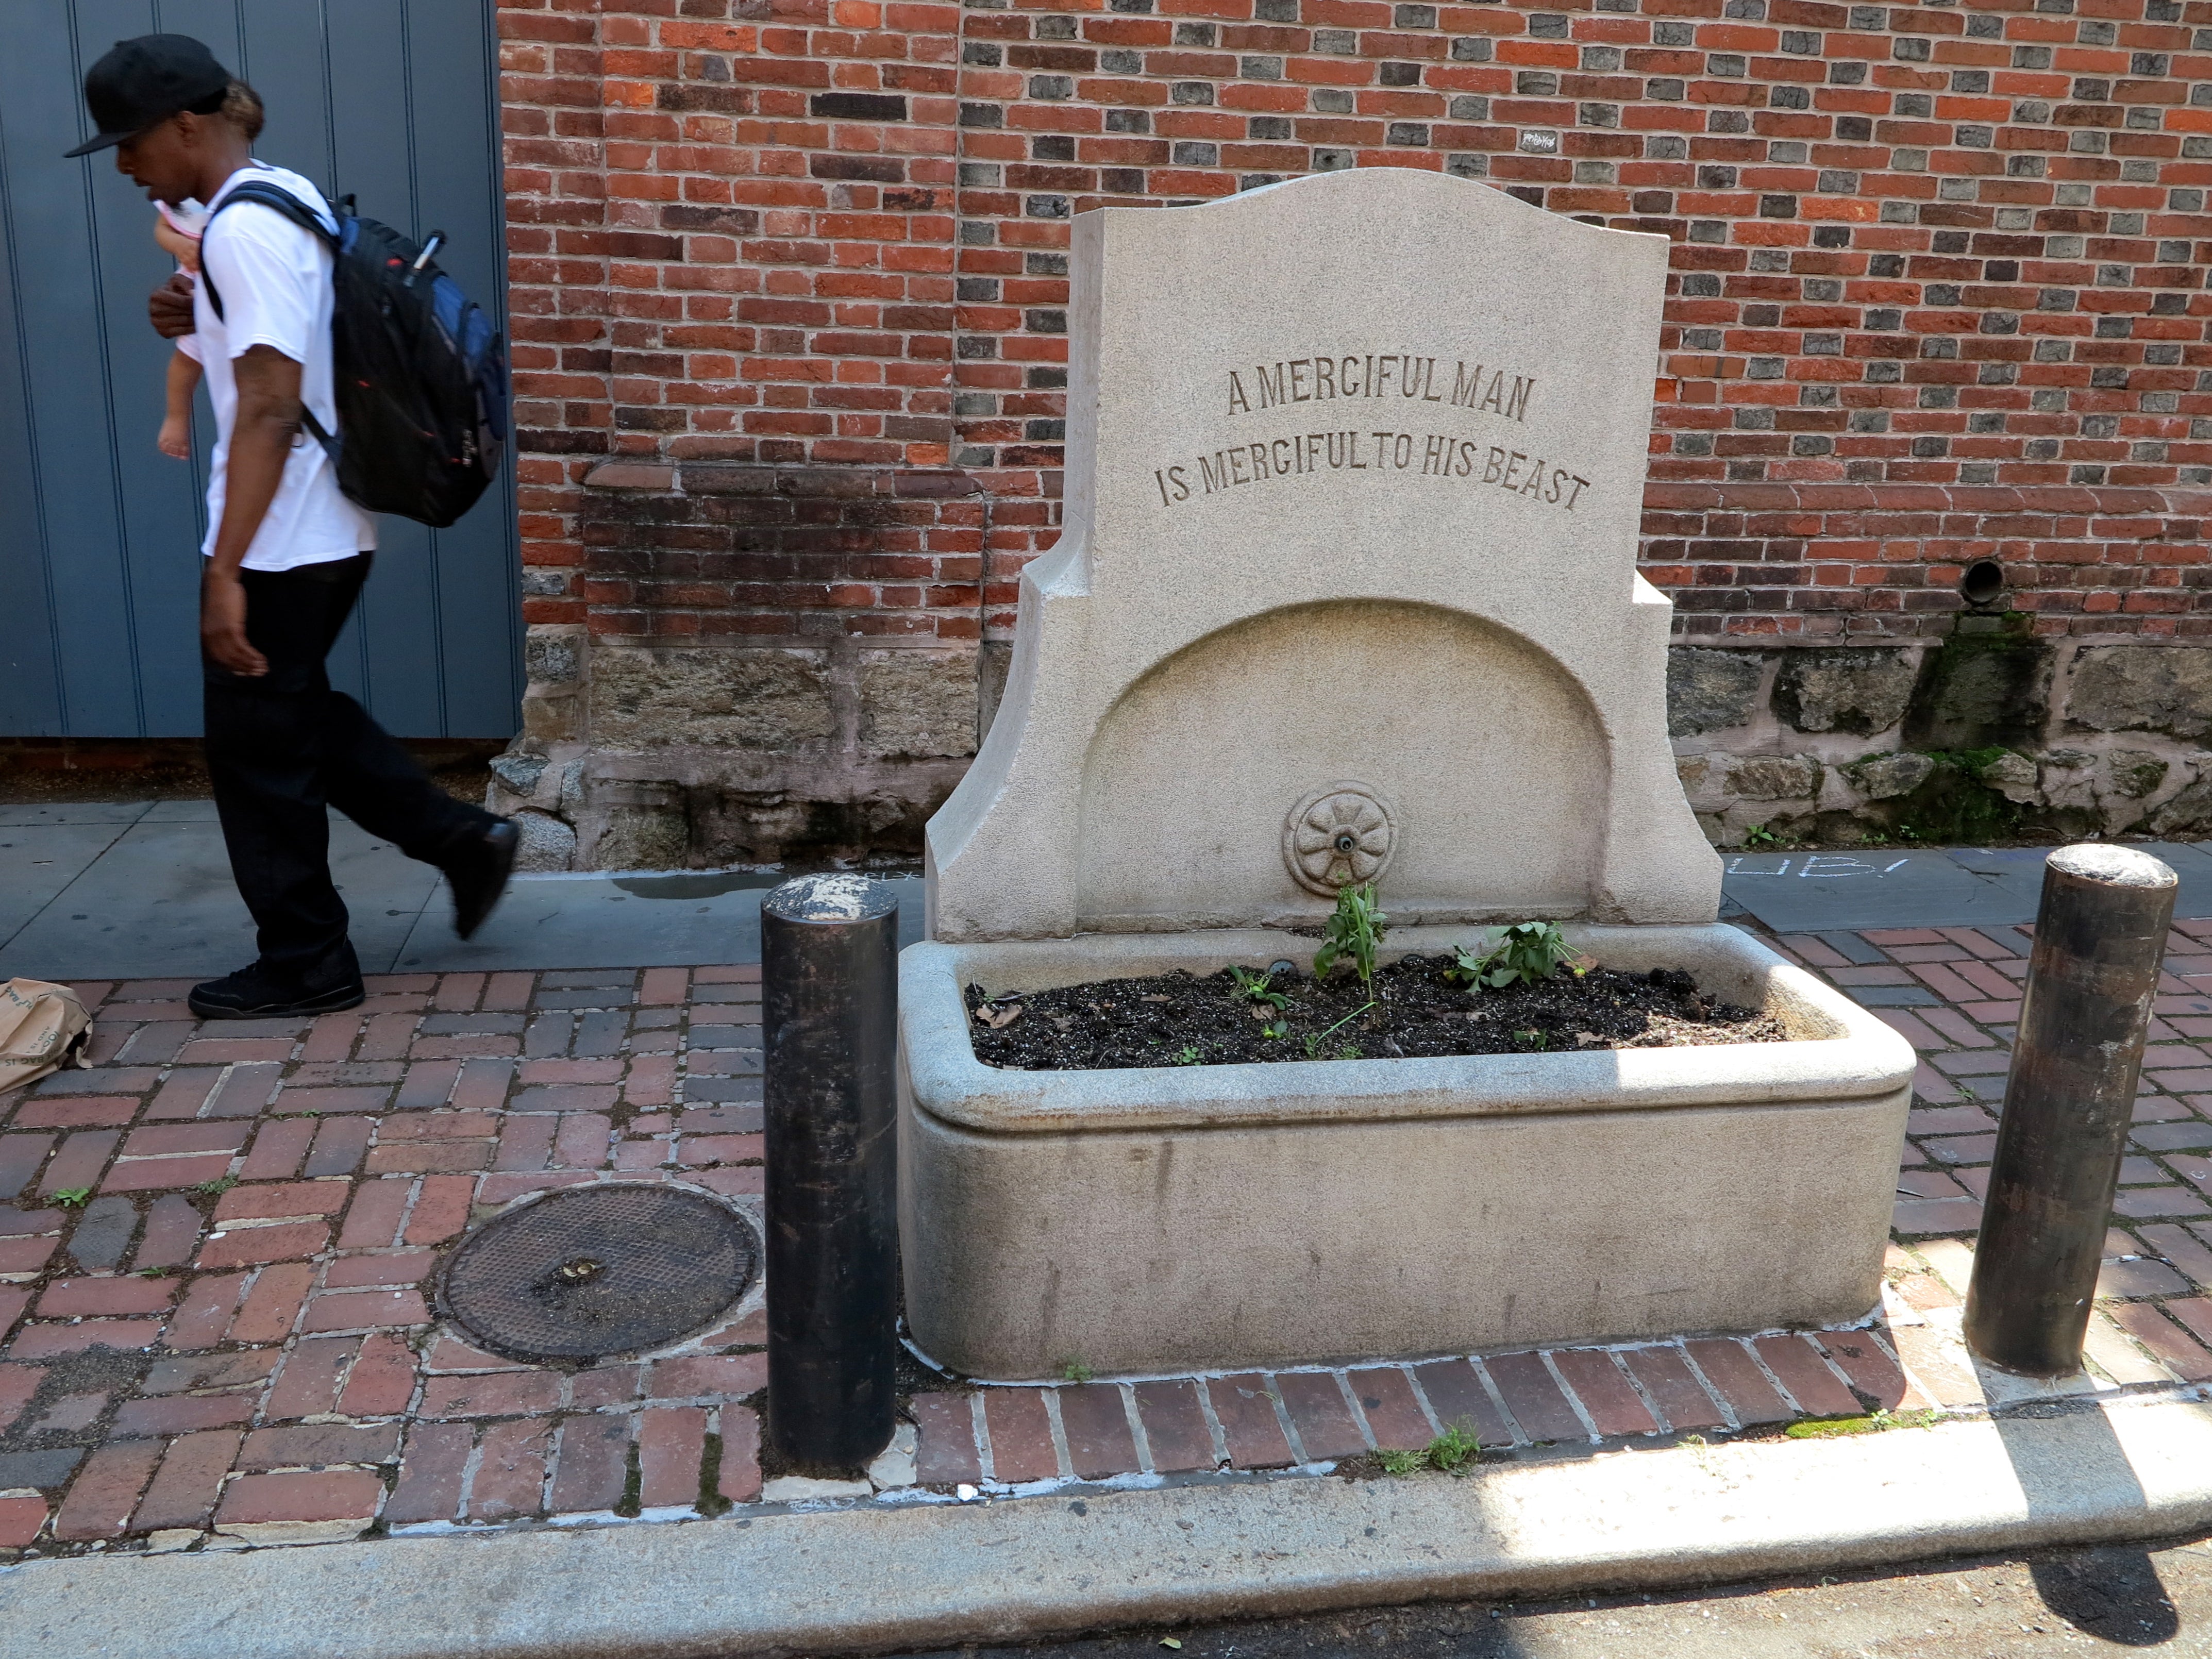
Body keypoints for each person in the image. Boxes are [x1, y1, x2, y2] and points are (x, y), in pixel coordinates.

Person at [67, 35, 518, 1019]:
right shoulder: (277, 194)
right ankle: (458, 838)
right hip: (313, 515)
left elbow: (271, 404)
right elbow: (295, 335)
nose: (123, 162)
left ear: (187, 124)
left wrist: (225, 570)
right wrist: (193, 314)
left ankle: (309, 959)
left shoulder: (245, 229)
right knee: (289, 712)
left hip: (280, 529)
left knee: (258, 753)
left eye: (129, 139)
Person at [152, 83, 262, 461]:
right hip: (196, 293)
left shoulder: (253, 193)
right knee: (185, 363)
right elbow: (162, 228)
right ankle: (176, 418)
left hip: (235, 300)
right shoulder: (185, 196)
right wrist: (178, 245)